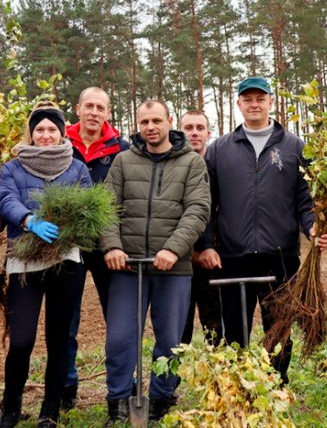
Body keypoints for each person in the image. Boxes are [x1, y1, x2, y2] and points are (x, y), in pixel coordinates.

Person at [200, 77, 318, 385]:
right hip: (232, 256)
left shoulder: (293, 146)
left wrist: (312, 226)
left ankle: (275, 385)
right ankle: (240, 385)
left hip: (280, 256)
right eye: (248, 99)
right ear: (238, 104)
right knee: (235, 330)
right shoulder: (219, 150)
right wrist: (206, 244)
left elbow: (304, 198)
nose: (254, 104)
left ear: (270, 102)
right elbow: (206, 203)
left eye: (260, 98)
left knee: (278, 328)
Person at [102, 100, 210, 424]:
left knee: (169, 340)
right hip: (128, 267)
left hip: (172, 269)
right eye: (144, 121)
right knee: (120, 339)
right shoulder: (122, 161)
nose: (150, 127)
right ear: (137, 124)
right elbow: (106, 207)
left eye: (156, 120)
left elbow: (198, 209)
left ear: (169, 121)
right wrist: (112, 246)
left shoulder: (191, 163)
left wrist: (174, 249)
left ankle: (162, 398)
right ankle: (118, 402)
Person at [0, 102, 92, 428]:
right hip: (24, 261)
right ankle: (10, 409)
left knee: (59, 338)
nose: (46, 134)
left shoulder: (77, 168)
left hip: (66, 261)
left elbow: (87, 205)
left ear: (62, 133)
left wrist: (72, 226)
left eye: (52, 129)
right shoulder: (12, 167)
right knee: (21, 339)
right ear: (32, 134)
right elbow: (6, 199)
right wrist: (28, 219)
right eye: (40, 130)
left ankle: (49, 412)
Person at [62, 87, 129, 409]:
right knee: (66, 318)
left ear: (107, 113)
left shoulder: (121, 149)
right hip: (68, 244)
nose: (93, 112)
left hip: (108, 246)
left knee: (117, 320)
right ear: (78, 108)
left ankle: (121, 388)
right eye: (88, 105)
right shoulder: (59, 144)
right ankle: (66, 386)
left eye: (100, 107)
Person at [179, 110, 222, 345]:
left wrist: (209, 246)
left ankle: (218, 379)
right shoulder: (172, 167)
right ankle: (170, 381)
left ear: (208, 133)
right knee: (178, 330)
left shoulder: (218, 168)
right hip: (179, 259)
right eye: (188, 128)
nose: (194, 133)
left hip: (213, 259)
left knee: (216, 330)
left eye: (199, 128)